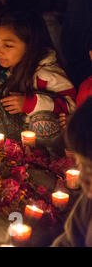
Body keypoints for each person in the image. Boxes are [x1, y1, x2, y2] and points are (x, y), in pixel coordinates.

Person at [0, 10, 76, 144]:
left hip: (39, 138)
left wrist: (31, 103)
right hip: (4, 133)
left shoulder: (46, 73)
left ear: (30, 46)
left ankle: (44, 158)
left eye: (8, 45)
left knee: (42, 121)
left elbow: (71, 105)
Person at [52, 97, 92, 247]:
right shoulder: (88, 204)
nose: (82, 178)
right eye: (81, 165)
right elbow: (68, 240)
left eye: (91, 169)